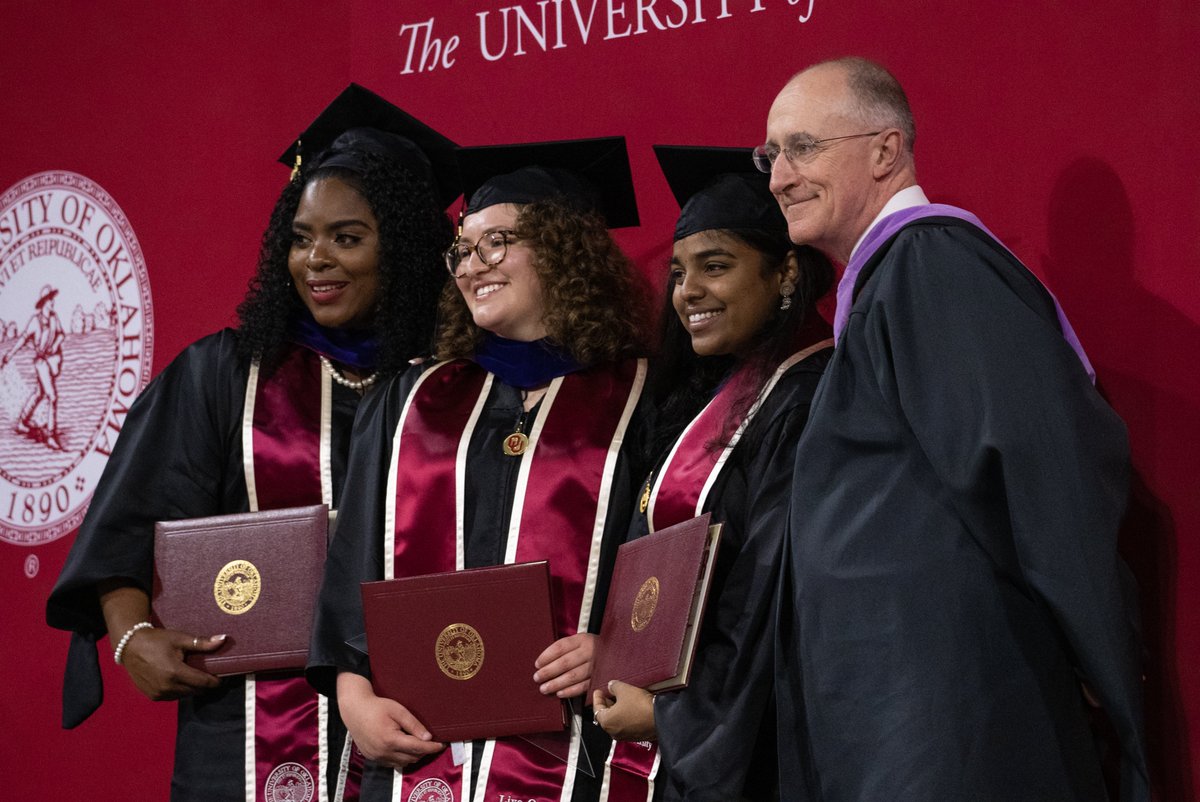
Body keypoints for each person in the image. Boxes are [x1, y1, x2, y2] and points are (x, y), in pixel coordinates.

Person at [45, 84, 455, 802]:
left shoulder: (454, 385)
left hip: (416, 733)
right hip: (244, 737)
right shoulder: (225, 372)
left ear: (408, 247)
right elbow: (128, 527)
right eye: (300, 239)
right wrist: (131, 635)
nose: (316, 261)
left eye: (347, 238)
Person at [758, 56, 1149, 800]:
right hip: (907, 723)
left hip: (958, 725)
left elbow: (1039, 464)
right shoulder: (886, 285)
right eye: (771, 154)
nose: (778, 176)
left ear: (885, 149)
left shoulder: (932, 263)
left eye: (803, 146)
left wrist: (1097, 641)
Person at [306, 137, 653, 802]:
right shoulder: (408, 402)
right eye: (462, 250)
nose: (471, 267)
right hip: (418, 764)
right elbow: (350, 575)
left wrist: (616, 648)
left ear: (561, 248)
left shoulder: (640, 399)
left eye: (496, 243)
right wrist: (354, 700)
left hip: (574, 759)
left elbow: (666, 573)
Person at [592, 146, 834, 801]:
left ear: (785, 272)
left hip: (760, 757)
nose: (687, 292)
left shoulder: (812, 400)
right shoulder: (709, 400)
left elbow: (768, 603)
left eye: (715, 266)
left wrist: (672, 714)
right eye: (677, 272)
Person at [2, 284, 66, 449]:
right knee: (52, 396)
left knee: (39, 393)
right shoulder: (34, 322)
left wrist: (55, 345)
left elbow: (61, 334)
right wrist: (9, 355)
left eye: (52, 299)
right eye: (50, 299)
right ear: (44, 302)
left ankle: (22, 421)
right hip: (41, 363)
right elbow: (23, 340)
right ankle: (51, 435)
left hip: (51, 361)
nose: (53, 302)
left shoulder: (54, 318)